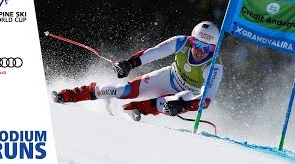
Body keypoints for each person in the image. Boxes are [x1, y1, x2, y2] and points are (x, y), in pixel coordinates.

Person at [52, 21, 223, 117]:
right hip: (169, 77)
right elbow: (153, 53)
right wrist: (129, 64)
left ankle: (131, 110)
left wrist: (184, 107)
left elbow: (205, 100)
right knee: (123, 89)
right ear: (191, 39)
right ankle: (71, 95)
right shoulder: (180, 42)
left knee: (172, 102)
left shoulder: (214, 66)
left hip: (187, 94)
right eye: (197, 44)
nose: (201, 51)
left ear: (214, 49)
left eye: (207, 48)